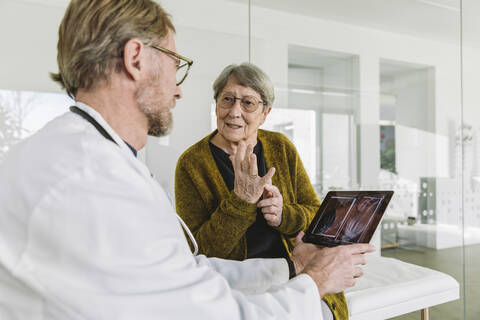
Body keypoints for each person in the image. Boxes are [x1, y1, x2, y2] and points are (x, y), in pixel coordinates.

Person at [0, 0, 374, 319]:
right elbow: (206, 311)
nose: (178, 90)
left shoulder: (92, 160)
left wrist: (294, 267)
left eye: (249, 103)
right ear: (135, 59)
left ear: (265, 111)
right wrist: (317, 282)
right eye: (175, 63)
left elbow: (189, 272)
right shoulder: (95, 182)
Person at [175, 63, 347, 318]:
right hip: (236, 286)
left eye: (248, 103)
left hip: (294, 271)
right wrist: (241, 202)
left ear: (265, 113)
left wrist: (283, 215)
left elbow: (317, 215)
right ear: (216, 104)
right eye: (227, 99)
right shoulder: (192, 163)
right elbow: (199, 252)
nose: (234, 112)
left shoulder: (281, 147)